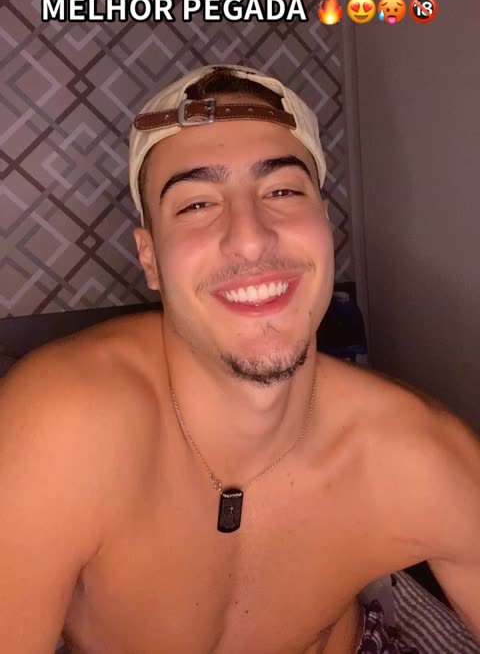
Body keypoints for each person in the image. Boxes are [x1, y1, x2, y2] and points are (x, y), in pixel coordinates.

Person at [1, 64, 479, 654]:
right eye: (197, 204)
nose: (251, 239)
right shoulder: (59, 429)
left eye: (282, 191)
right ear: (150, 259)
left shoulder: (419, 458)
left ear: (324, 226)